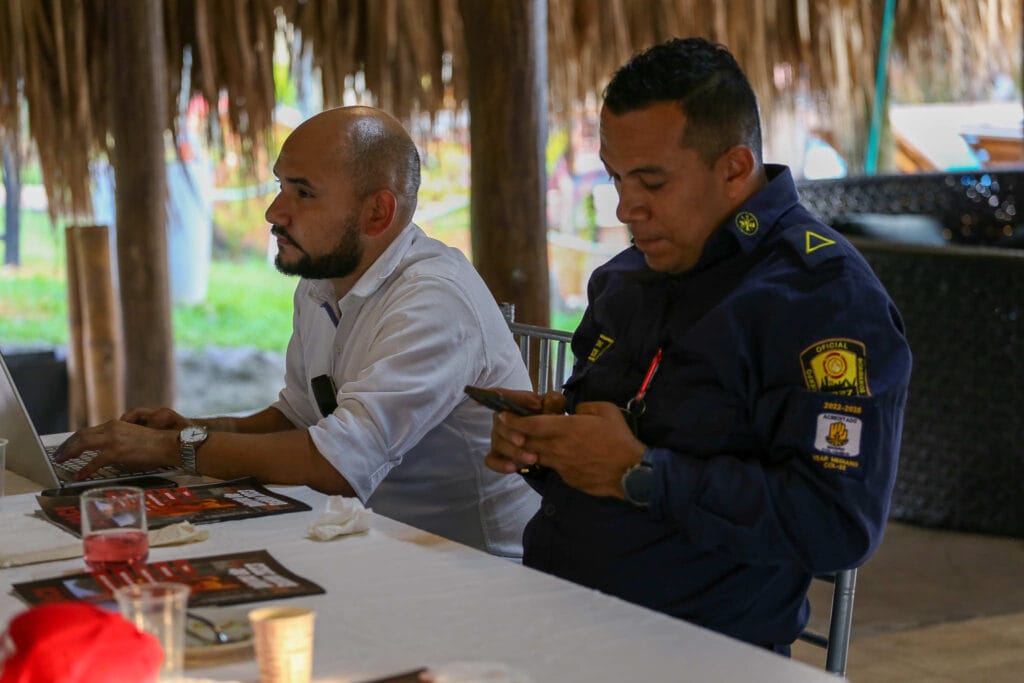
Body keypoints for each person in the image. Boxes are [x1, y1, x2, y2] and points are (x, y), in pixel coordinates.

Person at [485, 37, 912, 652]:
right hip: (555, 623)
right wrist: (549, 442)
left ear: (735, 169)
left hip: (701, 652)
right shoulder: (628, 278)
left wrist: (640, 475)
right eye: (616, 178)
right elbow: (622, 445)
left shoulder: (822, 300)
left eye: (652, 182)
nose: (626, 207)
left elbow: (837, 522)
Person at [56, 106, 539, 558]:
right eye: (280, 186)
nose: (274, 212)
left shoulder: (434, 300)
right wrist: (192, 430)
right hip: (368, 541)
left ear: (377, 213)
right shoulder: (321, 282)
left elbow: (335, 464)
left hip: (468, 568)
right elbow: (298, 419)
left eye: (303, 193)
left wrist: (173, 450)